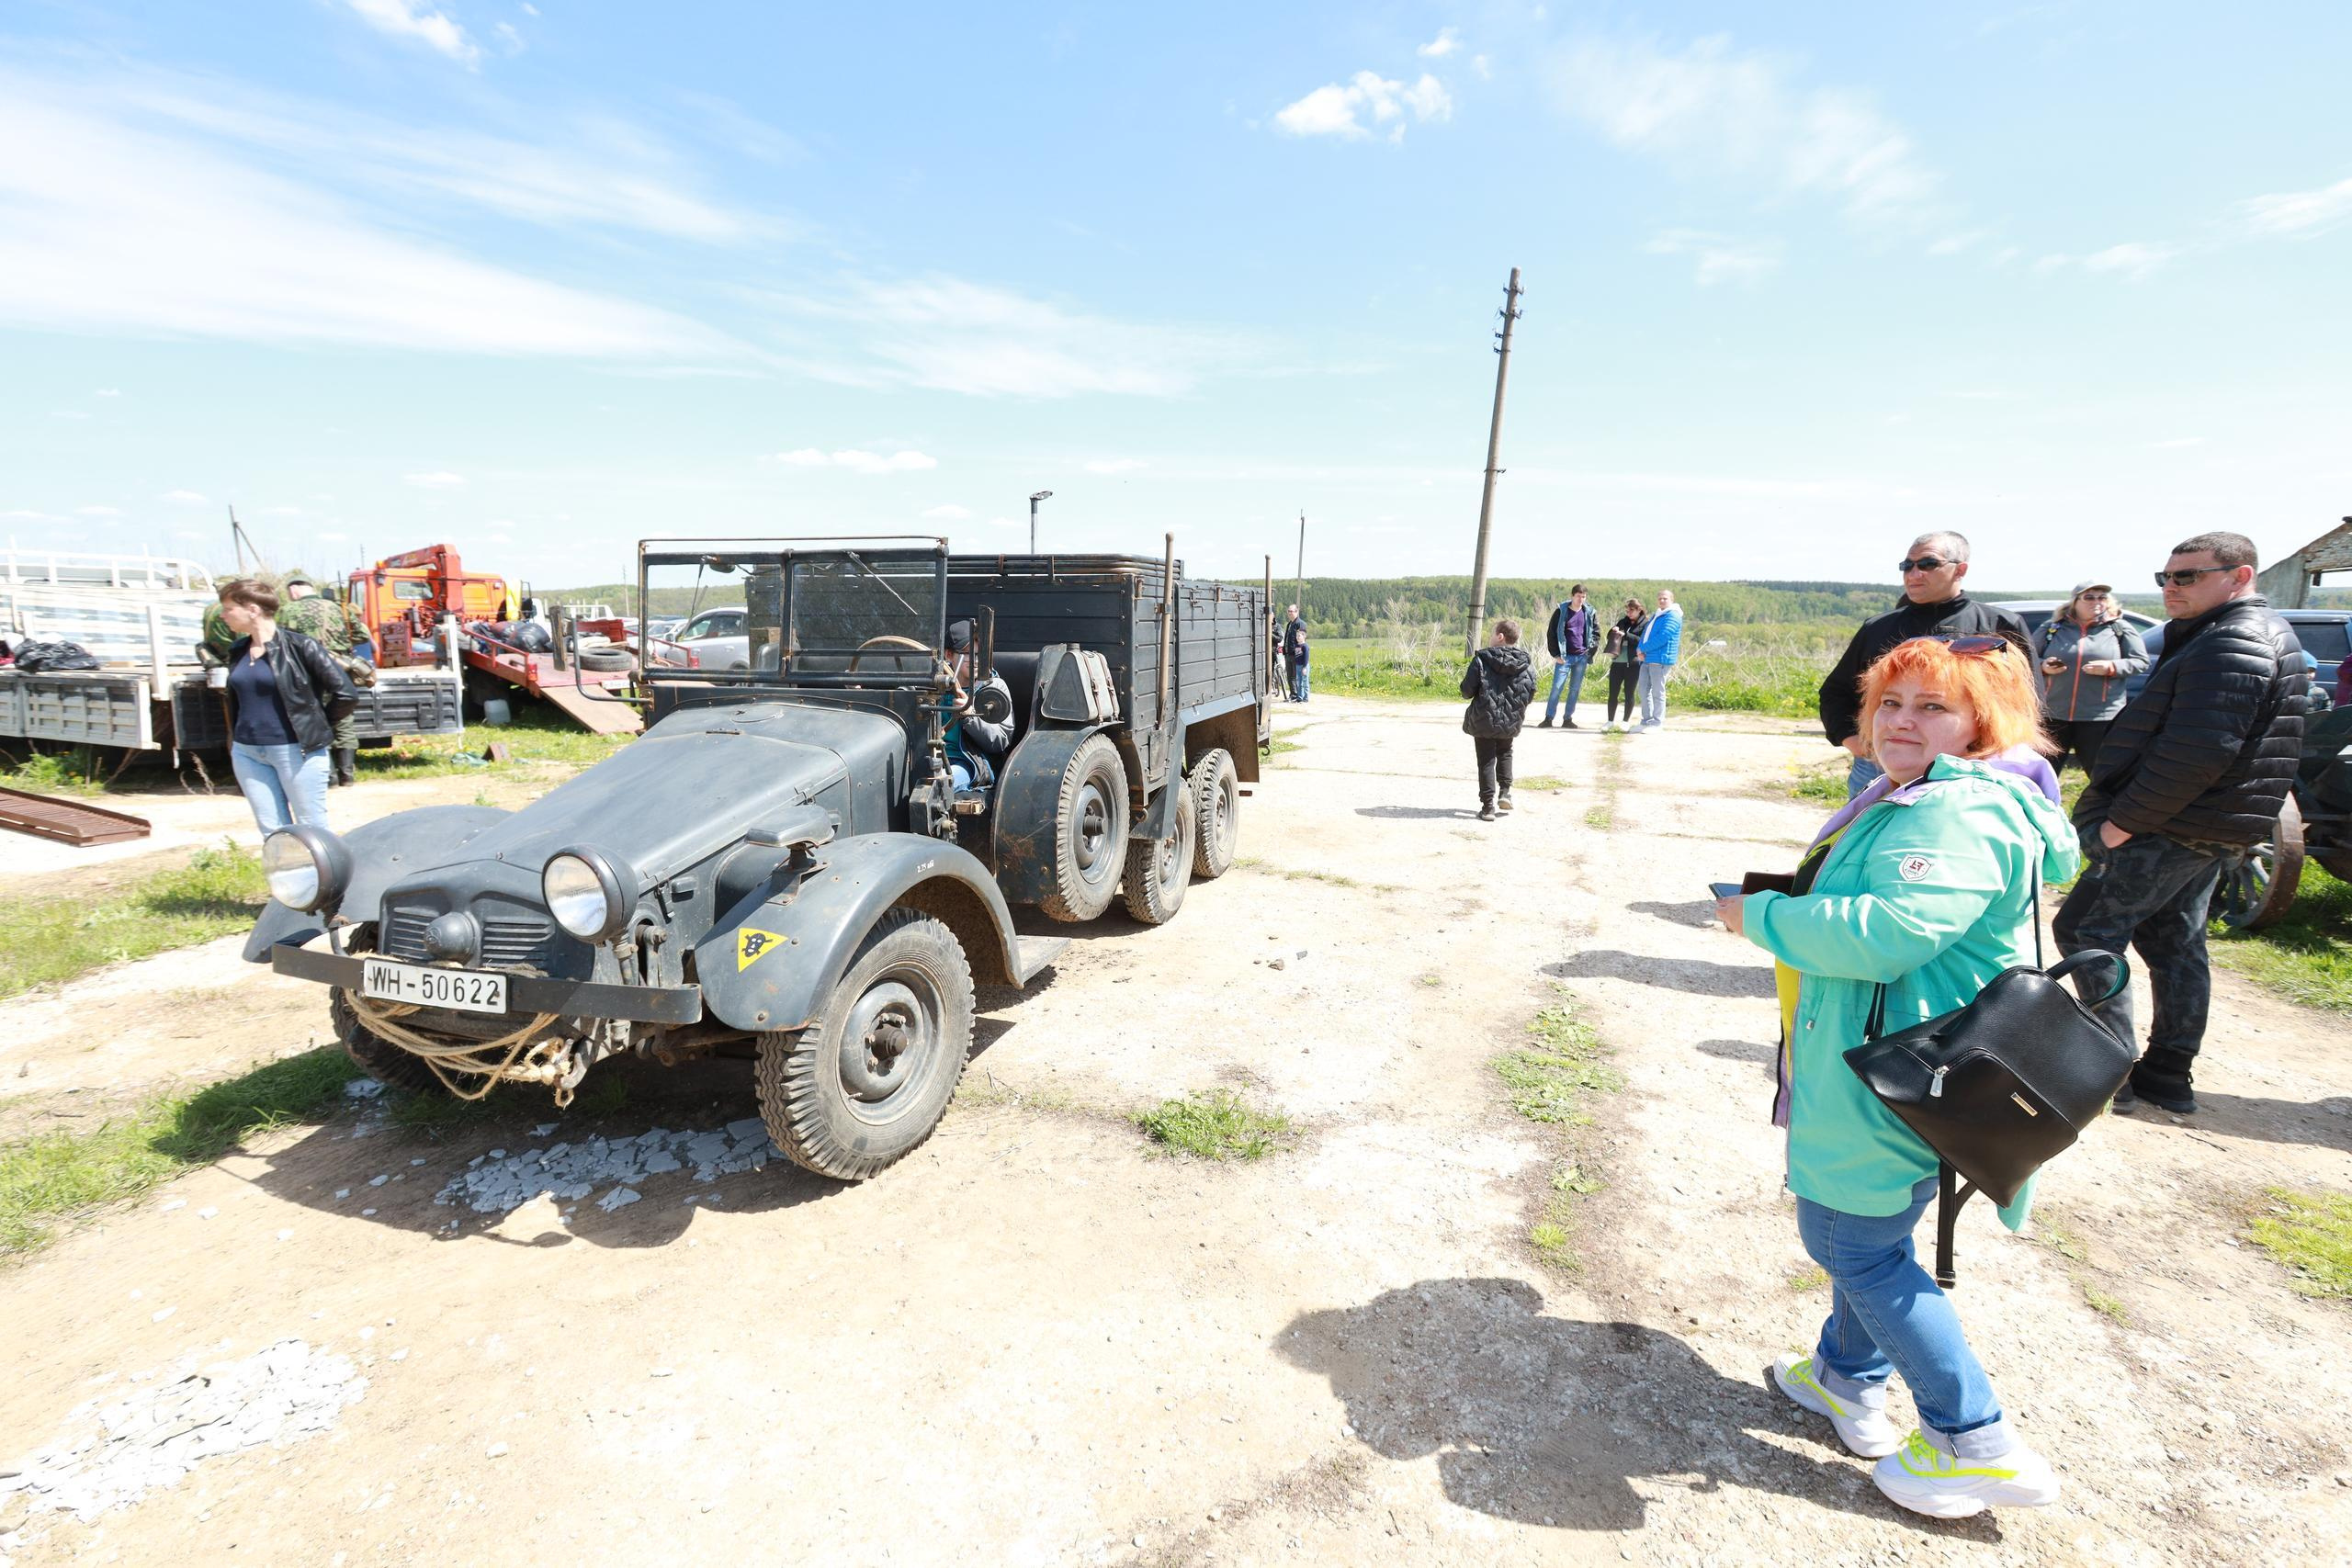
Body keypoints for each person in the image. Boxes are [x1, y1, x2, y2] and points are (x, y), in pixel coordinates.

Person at [1716, 634, 2076, 1519]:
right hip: (1914, 1062)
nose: (1902, 721)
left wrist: (1761, 914)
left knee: (1853, 1243)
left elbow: (1887, 933)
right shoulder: (1948, 796)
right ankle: (1847, 1374)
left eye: (1932, 707)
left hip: (1893, 1064)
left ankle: (1973, 1438)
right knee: (1873, 1227)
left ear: (1979, 724)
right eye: (1889, 703)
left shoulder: (1952, 813)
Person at [2055, 532, 2310, 1115]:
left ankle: (2109, 1070)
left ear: (2240, 577)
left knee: (2087, 931)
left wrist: (2121, 823)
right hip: (2208, 825)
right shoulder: (2235, 636)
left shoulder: (2233, 641)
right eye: (2165, 578)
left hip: (2170, 824)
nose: (2171, 588)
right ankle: (2168, 1072)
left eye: (2188, 576)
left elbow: (2197, 753)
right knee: (2175, 942)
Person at [1820, 533, 2030, 797]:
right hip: (1881, 770)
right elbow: (1835, 692)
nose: (1914, 573)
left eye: (1928, 564)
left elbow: (2024, 707)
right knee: (1872, 837)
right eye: (1907, 566)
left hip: (1969, 772)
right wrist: (1854, 742)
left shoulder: (2001, 626)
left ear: (1960, 569)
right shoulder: (1879, 628)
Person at [215, 578, 357, 834]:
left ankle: (324, 876)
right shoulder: (238, 650)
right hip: (247, 753)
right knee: (273, 831)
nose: (223, 616)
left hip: (295, 751)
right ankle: (287, 876)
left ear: (253, 610)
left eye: (228, 609)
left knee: (312, 828)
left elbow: (346, 694)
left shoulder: (302, 647)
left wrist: (315, 726)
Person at [2031, 581, 2147, 775]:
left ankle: (2101, 806)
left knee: (2101, 774)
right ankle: (2042, 805)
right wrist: (2043, 666)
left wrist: (2111, 667)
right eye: (2089, 597)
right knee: (2042, 774)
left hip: (2099, 716)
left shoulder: (2119, 628)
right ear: (2075, 601)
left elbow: (2140, 661)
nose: (2097, 602)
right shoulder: (2053, 628)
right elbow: (2029, 657)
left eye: (2102, 597)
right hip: (2053, 713)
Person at [278, 571, 370, 787]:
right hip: (341, 667)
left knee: (315, 719)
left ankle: (329, 777)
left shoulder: (289, 610)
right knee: (344, 719)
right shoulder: (339, 608)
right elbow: (362, 635)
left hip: (308, 671)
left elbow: (280, 639)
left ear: (293, 590)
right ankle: (347, 775)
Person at [1460, 618, 1533, 821]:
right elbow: (1531, 692)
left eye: (1492, 633)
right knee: (1505, 752)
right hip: (1510, 720)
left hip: (1483, 720)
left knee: (1486, 760)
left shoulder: (1482, 660)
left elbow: (1467, 691)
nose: (1490, 637)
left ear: (1500, 636)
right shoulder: (1526, 663)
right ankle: (1505, 792)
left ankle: (1488, 807)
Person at [943, 618, 1013, 790]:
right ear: (949, 655)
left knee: (940, 785)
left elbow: (1001, 740)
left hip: (972, 762)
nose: (975, 660)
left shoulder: (994, 688)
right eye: (967, 654)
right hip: (930, 760)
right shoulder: (934, 687)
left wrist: (969, 714)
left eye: (979, 653)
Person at [1539, 584, 1598, 728]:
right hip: (1564, 657)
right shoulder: (1561, 611)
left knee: (1574, 689)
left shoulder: (1589, 612)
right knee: (1557, 688)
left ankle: (1567, 719)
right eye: (1578, 596)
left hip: (1581, 657)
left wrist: (1590, 652)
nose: (1580, 599)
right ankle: (1549, 718)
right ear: (1572, 596)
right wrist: (1556, 655)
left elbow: (1596, 633)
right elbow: (1551, 633)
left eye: (1583, 597)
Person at [1633, 589, 1682, 731]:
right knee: (1643, 690)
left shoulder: (1673, 615)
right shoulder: (1658, 614)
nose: (1661, 600)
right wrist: (1639, 649)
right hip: (1647, 659)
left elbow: (1663, 637)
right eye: (1660, 598)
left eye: (1665, 598)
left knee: (1657, 692)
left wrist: (1643, 649)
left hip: (1660, 659)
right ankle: (1646, 721)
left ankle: (1657, 722)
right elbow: (1645, 634)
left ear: (1671, 600)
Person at [1605, 598, 1645, 729]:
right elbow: (1609, 636)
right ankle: (1610, 721)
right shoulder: (1623, 621)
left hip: (1633, 664)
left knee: (1629, 693)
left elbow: (1641, 641)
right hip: (1617, 662)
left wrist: (1625, 635)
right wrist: (1613, 630)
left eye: (1631, 611)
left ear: (1639, 609)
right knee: (1613, 693)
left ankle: (1625, 722)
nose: (1629, 613)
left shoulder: (1645, 623)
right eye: (1627, 611)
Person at [1284, 604, 1310, 704]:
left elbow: (1302, 639)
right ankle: (1293, 695)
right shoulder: (1289, 624)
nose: (1290, 613)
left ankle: (1300, 696)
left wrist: (1297, 651)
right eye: (1289, 611)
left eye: (1292, 611)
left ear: (1297, 612)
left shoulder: (1300, 623)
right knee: (1290, 676)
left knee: (1297, 677)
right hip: (1288, 653)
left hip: (1296, 654)